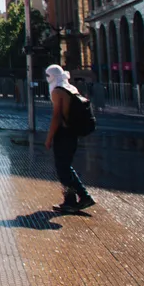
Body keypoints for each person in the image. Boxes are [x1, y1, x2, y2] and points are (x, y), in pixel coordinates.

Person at [44, 64, 95, 214]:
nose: (47, 79)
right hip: (73, 132)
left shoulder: (57, 92)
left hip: (64, 133)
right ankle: (81, 197)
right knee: (66, 166)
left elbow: (57, 117)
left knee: (63, 168)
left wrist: (49, 138)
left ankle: (72, 200)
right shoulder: (71, 88)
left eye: (48, 76)